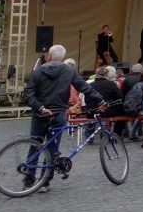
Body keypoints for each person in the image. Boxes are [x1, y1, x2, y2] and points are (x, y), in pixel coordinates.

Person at [23, 45, 105, 192]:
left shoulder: (37, 71)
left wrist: (40, 107)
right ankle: (45, 182)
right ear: (62, 57)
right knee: (52, 149)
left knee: (34, 145)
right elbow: (84, 87)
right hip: (58, 114)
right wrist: (100, 100)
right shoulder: (69, 71)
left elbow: (28, 94)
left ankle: (29, 181)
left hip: (40, 114)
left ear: (49, 55)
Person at [90, 66, 126, 135]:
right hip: (108, 111)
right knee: (122, 115)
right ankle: (116, 134)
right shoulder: (111, 84)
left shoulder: (91, 85)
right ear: (106, 75)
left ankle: (89, 134)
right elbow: (120, 96)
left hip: (93, 112)